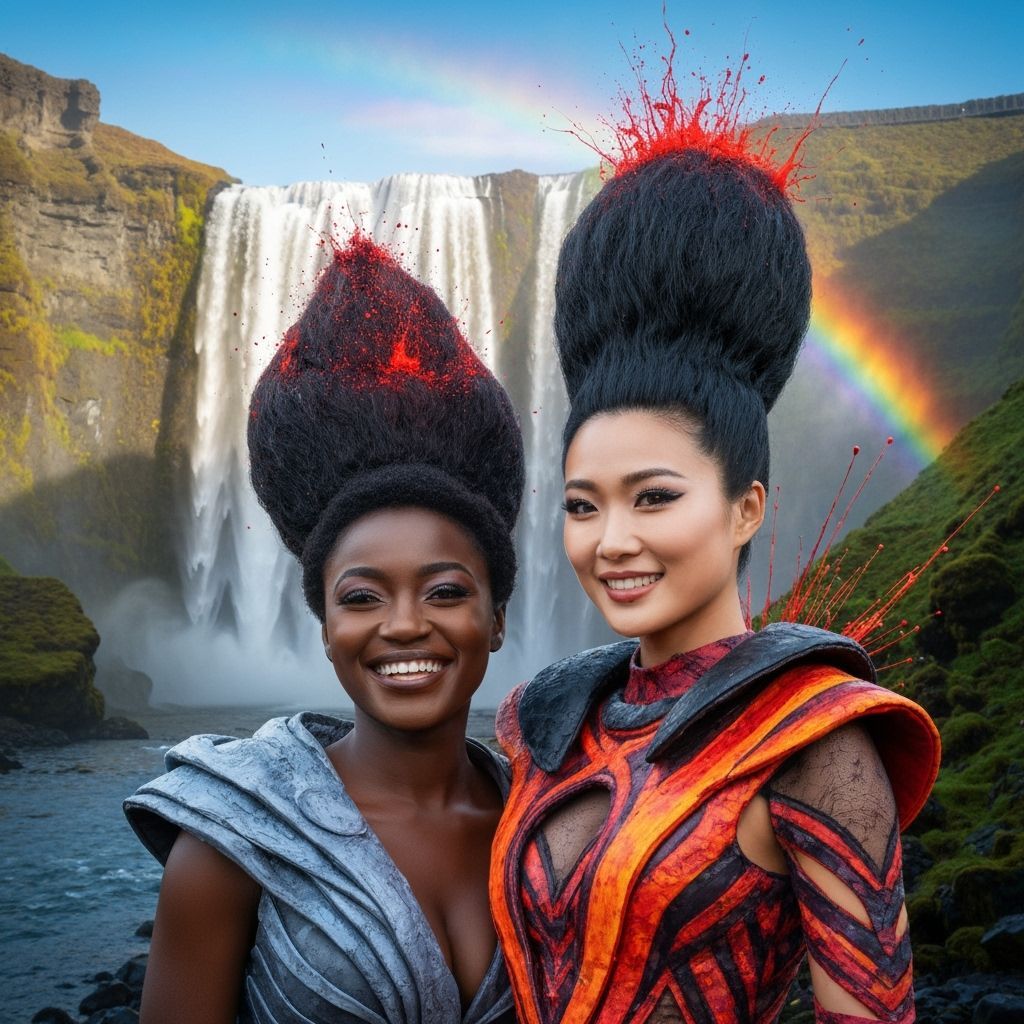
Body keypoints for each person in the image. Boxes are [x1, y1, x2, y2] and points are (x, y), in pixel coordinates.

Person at [488, 58, 940, 1024]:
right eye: (582, 505)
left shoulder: (813, 743)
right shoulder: (546, 723)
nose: (612, 541)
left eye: (653, 498)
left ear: (746, 508)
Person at [125, 232, 524, 1024]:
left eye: (444, 592)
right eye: (362, 598)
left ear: (498, 619)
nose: (404, 626)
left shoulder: (546, 822)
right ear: (324, 624)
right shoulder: (235, 840)